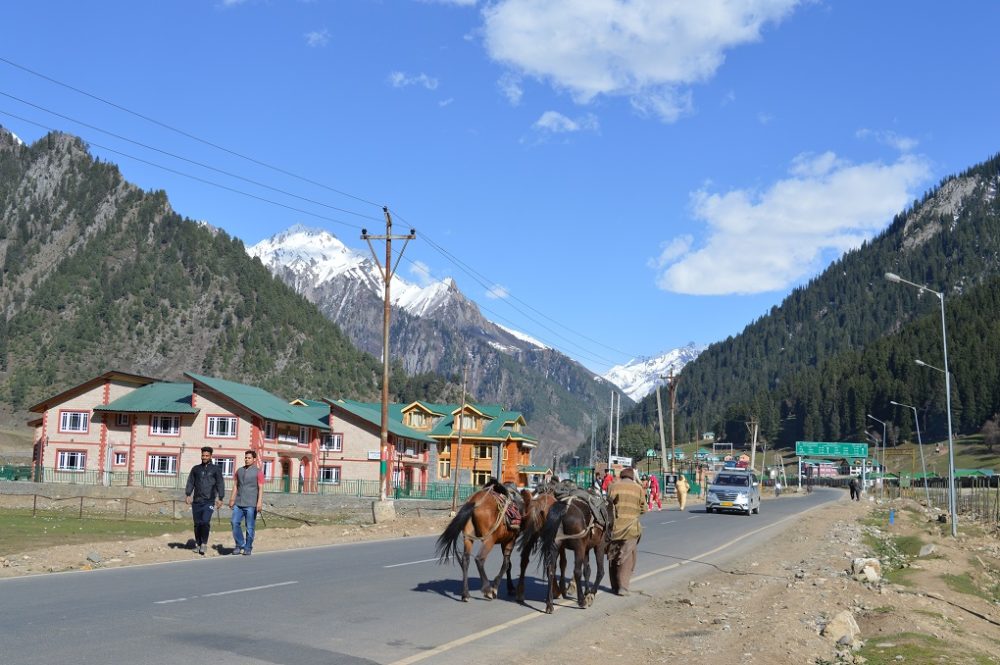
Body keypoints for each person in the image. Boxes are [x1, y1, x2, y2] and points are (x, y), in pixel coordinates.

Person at [607, 467, 647, 596]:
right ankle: (623, 587)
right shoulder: (638, 488)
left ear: (622, 476)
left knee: (613, 555)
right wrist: (635, 512)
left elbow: (607, 505)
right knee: (627, 556)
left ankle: (614, 586)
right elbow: (644, 508)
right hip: (631, 528)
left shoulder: (613, 486)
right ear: (632, 477)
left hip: (614, 527)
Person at [185, 446, 225, 555]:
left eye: (207, 455)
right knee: (197, 523)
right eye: (203, 455)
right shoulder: (196, 469)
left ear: (211, 456)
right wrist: (188, 494)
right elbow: (190, 482)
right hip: (197, 501)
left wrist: (220, 498)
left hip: (209, 500)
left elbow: (220, 484)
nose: (204, 457)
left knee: (205, 522)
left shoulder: (216, 469)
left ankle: (204, 544)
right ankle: (198, 544)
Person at [229, 449, 264, 556]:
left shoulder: (258, 472)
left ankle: (248, 547)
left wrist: (259, 502)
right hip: (238, 503)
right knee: (234, 522)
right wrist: (232, 499)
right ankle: (239, 544)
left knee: (249, 526)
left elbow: (261, 488)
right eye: (246, 457)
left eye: (249, 458)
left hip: (251, 504)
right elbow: (235, 485)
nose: (247, 460)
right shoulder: (239, 471)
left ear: (254, 459)